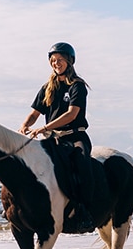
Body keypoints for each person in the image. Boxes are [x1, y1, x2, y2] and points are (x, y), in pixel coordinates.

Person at [19, 42, 95, 233]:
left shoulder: (77, 86)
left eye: (60, 60)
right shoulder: (47, 87)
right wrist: (25, 125)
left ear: (70, 61)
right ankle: (21, 205)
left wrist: (43, 127)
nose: (56, 63)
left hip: (74, 137)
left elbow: (71, 114)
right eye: (53, 60)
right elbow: (35, 113)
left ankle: (84, 211)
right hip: (53, 139)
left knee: (82, 164)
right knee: (28, 163)